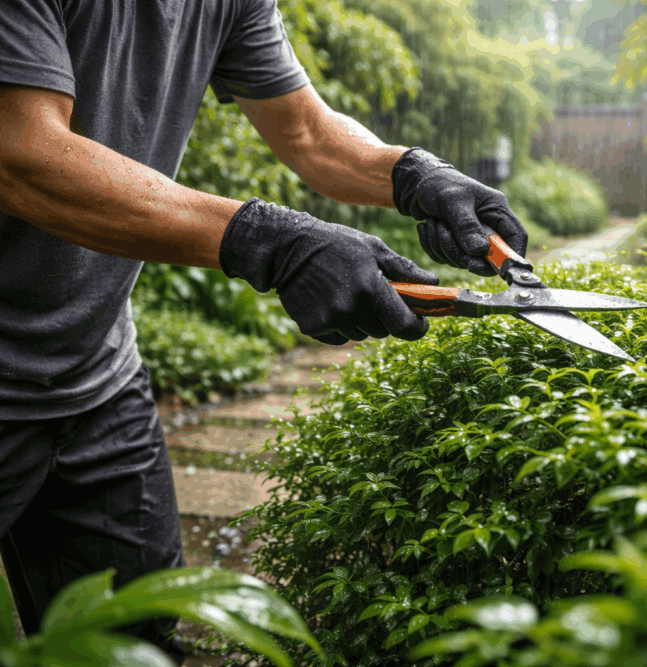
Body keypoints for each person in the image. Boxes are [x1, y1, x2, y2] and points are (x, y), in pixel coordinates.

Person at [0, 0, 527, 662]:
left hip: (96, 378)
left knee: (131, 644)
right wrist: (268, 241)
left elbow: (306, 131)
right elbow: (22, 152)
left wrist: (414, 175)